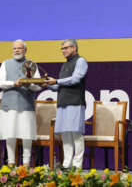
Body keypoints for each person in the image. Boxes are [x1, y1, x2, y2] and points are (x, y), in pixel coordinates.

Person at [0, 39, 41, 166]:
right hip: (9, 104)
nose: (17, 50)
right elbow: (0, 83)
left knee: (27, 133)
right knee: (10, 132)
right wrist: (13, 83)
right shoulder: (6, 63)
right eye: (15, 48)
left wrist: (29, 85)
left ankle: (26, 162)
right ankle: (10, 161)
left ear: (25, 50)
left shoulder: (31, 64)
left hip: (26, 104)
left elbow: (38, 86)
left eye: (20, 48)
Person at [45, 39, 87, 169]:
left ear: (74, 48)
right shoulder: (65, 65)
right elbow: (60, 86)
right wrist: (47, 84)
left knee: (76, 134)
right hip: (63, 103)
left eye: (66, 48)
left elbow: (75, 79)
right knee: (66, 135)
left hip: (75, 102)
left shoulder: (81, 61)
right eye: (62, 48)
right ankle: (66, 163)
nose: (64, 51)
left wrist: (56, 81)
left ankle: (77, 164)